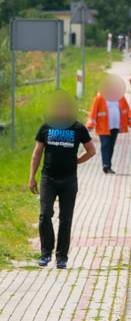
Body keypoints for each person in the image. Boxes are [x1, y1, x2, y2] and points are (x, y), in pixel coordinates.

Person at [29, 90, 96, 269]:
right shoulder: (46, 127)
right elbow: (37, 154)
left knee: (65, 219)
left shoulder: (78, 128)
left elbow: (91, 151)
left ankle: (61, 257)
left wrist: (77, 161)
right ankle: (45, 253)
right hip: (48, 179)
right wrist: (32, 178)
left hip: (68, 181)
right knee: (44, 215)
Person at [86, 74, 131, 174]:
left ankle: (108, 165)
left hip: (115, 126)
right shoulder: (100, 97)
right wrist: (90, 124)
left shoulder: (120, 97)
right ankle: (106, 165)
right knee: (105, 145)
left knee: (111, 146)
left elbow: (126, 110)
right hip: (103, 127)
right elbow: (93, 111)